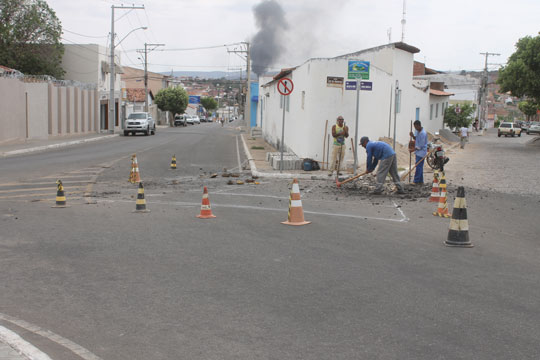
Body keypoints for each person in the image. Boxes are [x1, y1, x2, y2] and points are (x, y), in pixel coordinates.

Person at [409, 120, 428, 185]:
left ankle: (416, 181)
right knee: (420, 167)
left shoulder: (423, 133)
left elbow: (421, 145)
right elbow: (417, 140)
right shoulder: (419, 132)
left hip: (421, 152)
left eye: (416, 127)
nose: (415, 129)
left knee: (418, 166)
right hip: (418, 152)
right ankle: (420, 181)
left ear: (419, 125)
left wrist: (413, 150)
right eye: (414, 127)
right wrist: (413, 136)